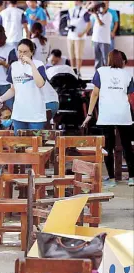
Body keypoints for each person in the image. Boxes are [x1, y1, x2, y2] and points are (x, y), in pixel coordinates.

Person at [82, 50, 134, 188]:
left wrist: (89, 115)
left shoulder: (101, 71)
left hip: (107, 115)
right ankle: (132, 178)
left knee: (108, 147)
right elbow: (129, 97)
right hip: (124, 114)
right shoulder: (128, 74)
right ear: (121, 61)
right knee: (127, 146)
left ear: (109, 59)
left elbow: (94, 94)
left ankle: (111, 179)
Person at [0, 38, 48, 132]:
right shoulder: (14, 66)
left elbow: (40, 84)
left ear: (32, 52)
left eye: (25, 52)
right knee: (19, 145)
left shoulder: (39, 65)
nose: (22, 54)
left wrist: (31, 63)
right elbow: (13, 89)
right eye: (20, 51)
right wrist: (1, 99)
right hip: (19, 114)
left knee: (35, 144)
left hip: (36, 115)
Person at [67, 1, 91, 76]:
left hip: (80, 37)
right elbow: (68, 20)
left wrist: (83, 33)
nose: (75, 2)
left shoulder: (84, 12)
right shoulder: (70, 10)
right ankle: (73, 70)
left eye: (77, 1)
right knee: (71, 55)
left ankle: (78, 71)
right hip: (70, 35)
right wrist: (69, 26)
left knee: (78, 55)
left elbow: (89, 24)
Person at [90, 3, 113, 69]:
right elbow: (88, 12)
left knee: (105, 59)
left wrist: (96, 15)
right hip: (96, 39)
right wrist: (92, 8)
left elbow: (101, 23)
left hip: (105, 40)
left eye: (103, 7)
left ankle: (107, 73)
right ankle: (97, 74)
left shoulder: (109, 15)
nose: (101, 9)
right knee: (97, 59)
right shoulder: (97, 14)